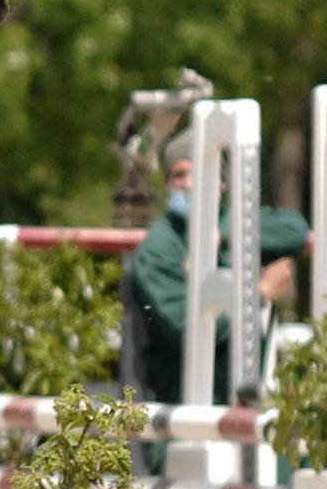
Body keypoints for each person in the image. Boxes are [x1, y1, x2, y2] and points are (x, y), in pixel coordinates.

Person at [122, 154, 311, 406]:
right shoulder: (159, 247)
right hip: (183, 406)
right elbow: (186, 325)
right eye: (178, 175)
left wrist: (221, 235)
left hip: (247, 400)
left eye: (198, 173)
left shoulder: (233, 222)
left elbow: (295, 231)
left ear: (222, 183)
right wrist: (260, 294)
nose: (188, 184)